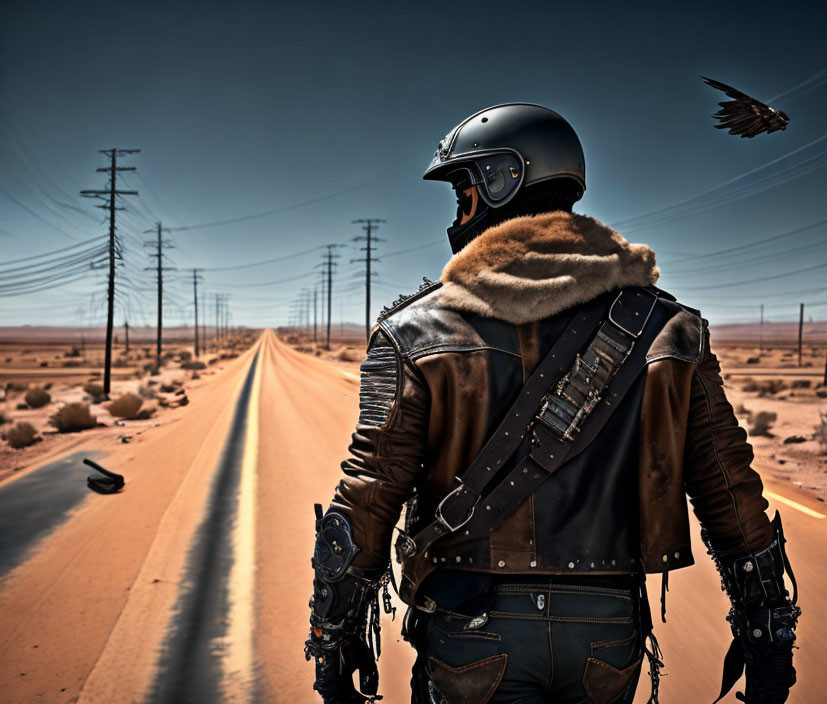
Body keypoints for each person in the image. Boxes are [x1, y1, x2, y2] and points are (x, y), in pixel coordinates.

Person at [305, 103, 800, 704]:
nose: (457, 215)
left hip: (470, 626)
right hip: (607, 633)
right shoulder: (667, 328)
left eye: (463, 193)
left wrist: (332, 633)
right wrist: (767, 628)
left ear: (500, 184)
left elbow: (369, 489)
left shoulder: (414, 331)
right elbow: (729, 489)